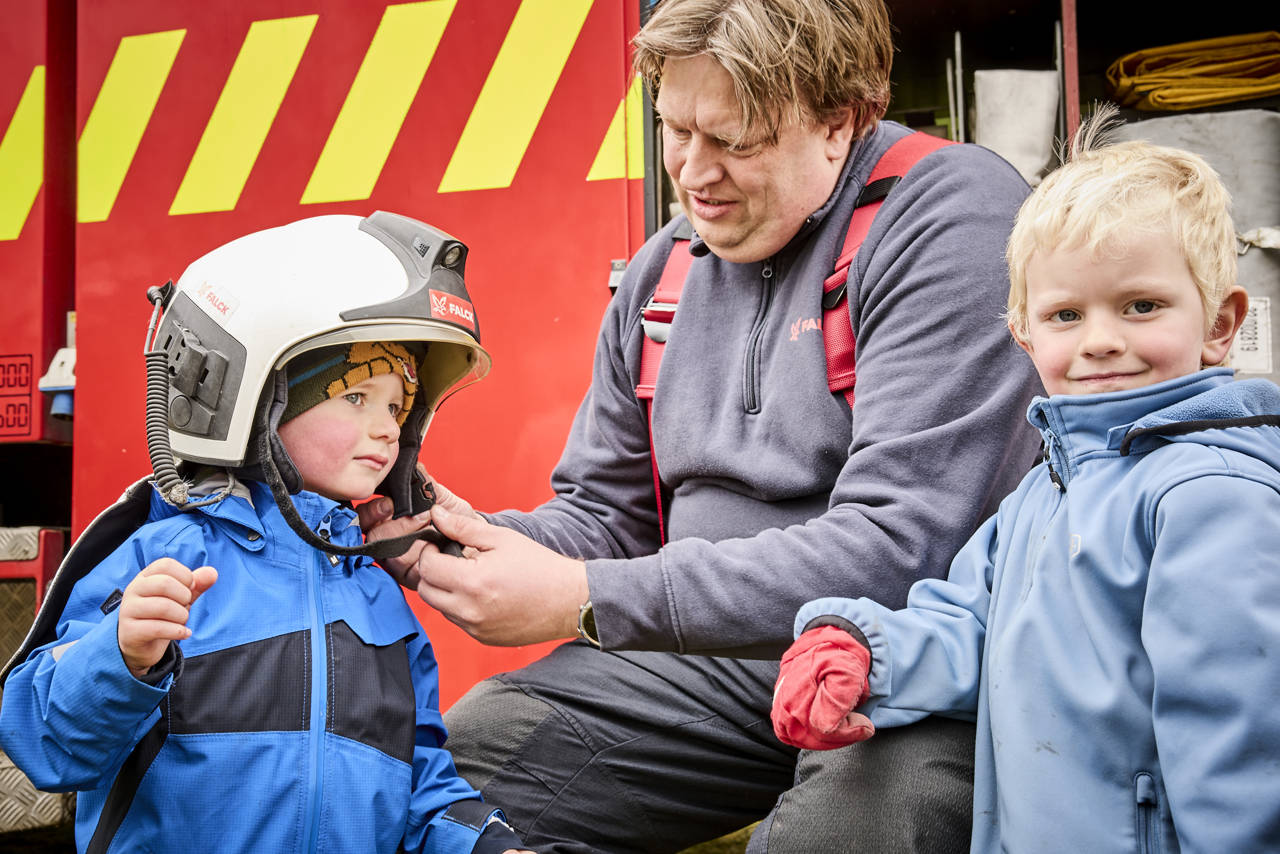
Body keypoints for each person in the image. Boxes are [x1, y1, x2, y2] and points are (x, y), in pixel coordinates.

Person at [361, 0, 1042, 850]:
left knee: (839, 835)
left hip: (909, 668)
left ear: (839, 122)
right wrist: (451, 539)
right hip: (710, 674)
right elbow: (608, 519)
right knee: (426, 795)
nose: (693, 171)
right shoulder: (662, 276)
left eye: (735, 140)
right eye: (674, 129)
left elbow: (900, 547)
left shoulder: (949, 218)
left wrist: (583, 599)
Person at [771, 108, 1280, 852]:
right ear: (1024, 334)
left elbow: (1240, 745)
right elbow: (971, 625)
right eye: (1067, 314)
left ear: (1220, 324)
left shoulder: (1208, 499)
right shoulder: (1044, 491)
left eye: (1142, 306)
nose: (1103, 340)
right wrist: (862, 655)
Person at [0, 213, 532, 854]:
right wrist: (120, 658)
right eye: (357, 397)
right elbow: (42, 744)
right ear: (258, 398)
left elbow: (419, 791)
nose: (389, 427)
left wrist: (485, 846)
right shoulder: (162, 558)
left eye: (397, 406)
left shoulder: (382, 602)